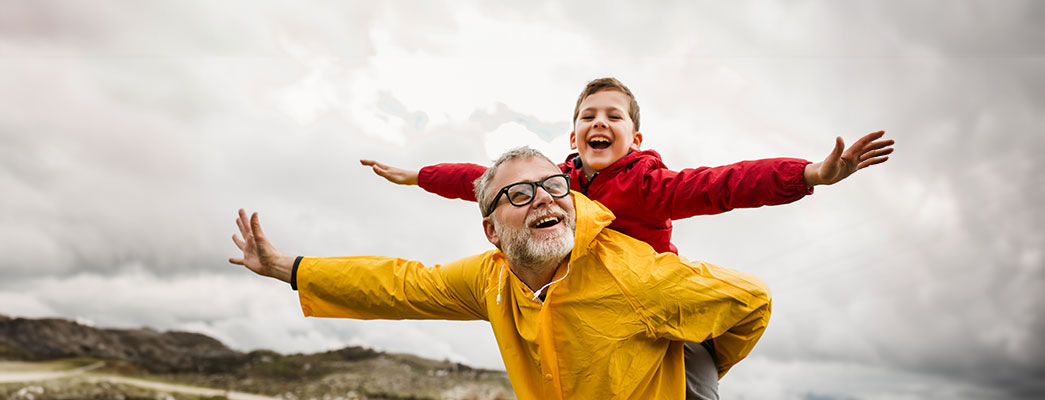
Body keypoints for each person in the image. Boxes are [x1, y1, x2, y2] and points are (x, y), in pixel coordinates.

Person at [360, 77, 895, 398]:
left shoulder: (646, 185)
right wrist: (419, 175)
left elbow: (721, 185)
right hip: (596, 316)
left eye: (613, 116)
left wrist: (807, 175)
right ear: (572, 136)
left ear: (634, 137)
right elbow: (480, 180)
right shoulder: (559, 184)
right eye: (589, 116)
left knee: (692, 382)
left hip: (662, 314)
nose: (600, 122)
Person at [230, 147, 772, 400]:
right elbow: (401, 284)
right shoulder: (491, 277)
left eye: (553, 186)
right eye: (518, 194)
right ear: (492, 231)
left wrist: (687, 369)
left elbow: (752, 302)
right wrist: (287, 268)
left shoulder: (637, 278)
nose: (543, 198)